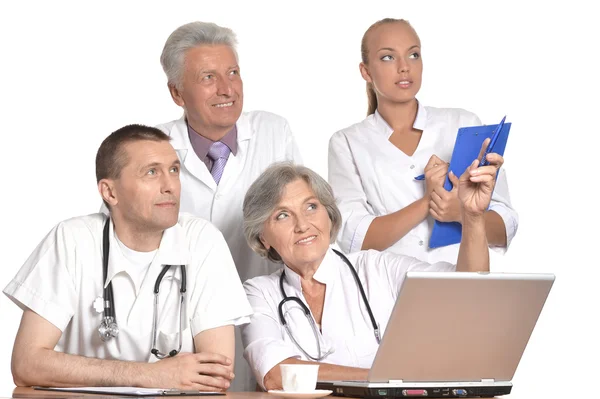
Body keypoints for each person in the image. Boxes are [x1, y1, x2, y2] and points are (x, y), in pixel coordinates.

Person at [4, 124, 252, 390]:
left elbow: (215, 376)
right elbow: (27, 364)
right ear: (110, 192)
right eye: (151, 172)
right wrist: (152, 375)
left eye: (174, 170)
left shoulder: (203, 241)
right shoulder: (72, 240)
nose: (170, 186)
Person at [240, 142, 500, 390]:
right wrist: (384, 379)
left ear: (329, 215)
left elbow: (468, 292)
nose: (302, 224)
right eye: (282, 215)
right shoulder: (259, 293)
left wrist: (473, 217)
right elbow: (275, 374)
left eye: (311, 207)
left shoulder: (376, 267)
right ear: (263, 236)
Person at [156, 21, 302, 390]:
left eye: (233, 73)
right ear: (177, 92)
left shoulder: (273, 132)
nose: (227, 89)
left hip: (265, 316)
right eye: (208, 77)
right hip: (177, 331)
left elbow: (303, 220)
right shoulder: (152, 147)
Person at [328, 18, 518, 264]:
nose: (404, 67)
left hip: (464, 285)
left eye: (414, 55)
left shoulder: (464, 123)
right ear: (366, 71)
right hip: (387, 293)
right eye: (388, 57)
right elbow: (355, 237)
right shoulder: (347, 143)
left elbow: (505, 227)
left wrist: (461, 213)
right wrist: (429, 202)